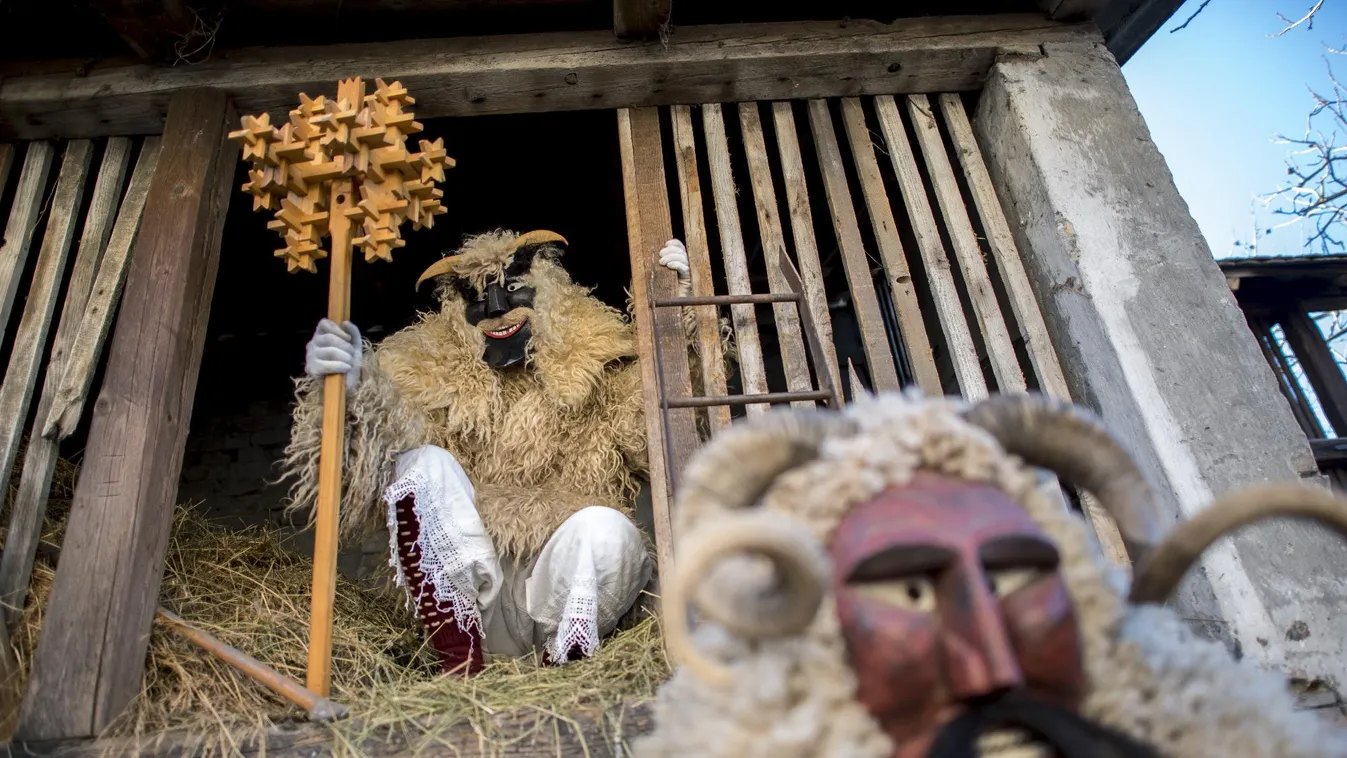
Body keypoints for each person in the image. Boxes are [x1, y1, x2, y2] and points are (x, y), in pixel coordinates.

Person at [281, 229, 690, 674]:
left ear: (550, 292)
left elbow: (663, 430)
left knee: (608, 529)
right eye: (478, 300)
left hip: (565, 589)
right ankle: (460, 665)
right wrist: (354, 386)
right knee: (421, 464)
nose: (497, 309)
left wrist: (681, 319)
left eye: (514, 289)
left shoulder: (601, 370)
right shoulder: (436, 382)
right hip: (475, 603)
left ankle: (569, 673)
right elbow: (380, 446)